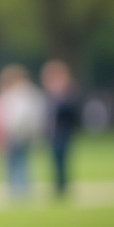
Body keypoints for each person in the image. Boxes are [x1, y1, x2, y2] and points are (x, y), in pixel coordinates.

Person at [0, 65, 46, 198]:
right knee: (14, 162)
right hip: (13, 133)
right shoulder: (20, 94)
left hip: (17, 133)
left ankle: (20, 189)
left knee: (18, 161)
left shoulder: (21, 95)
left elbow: (23, 116)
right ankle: (17, 188)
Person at [40, 60, 79, 198]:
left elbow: (71, 111)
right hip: (52, 133)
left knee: (62, 159)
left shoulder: (67, 92)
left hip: (63, 132)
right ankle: (58, 185)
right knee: (54, 160)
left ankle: (63, 186)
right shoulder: (49, 93)